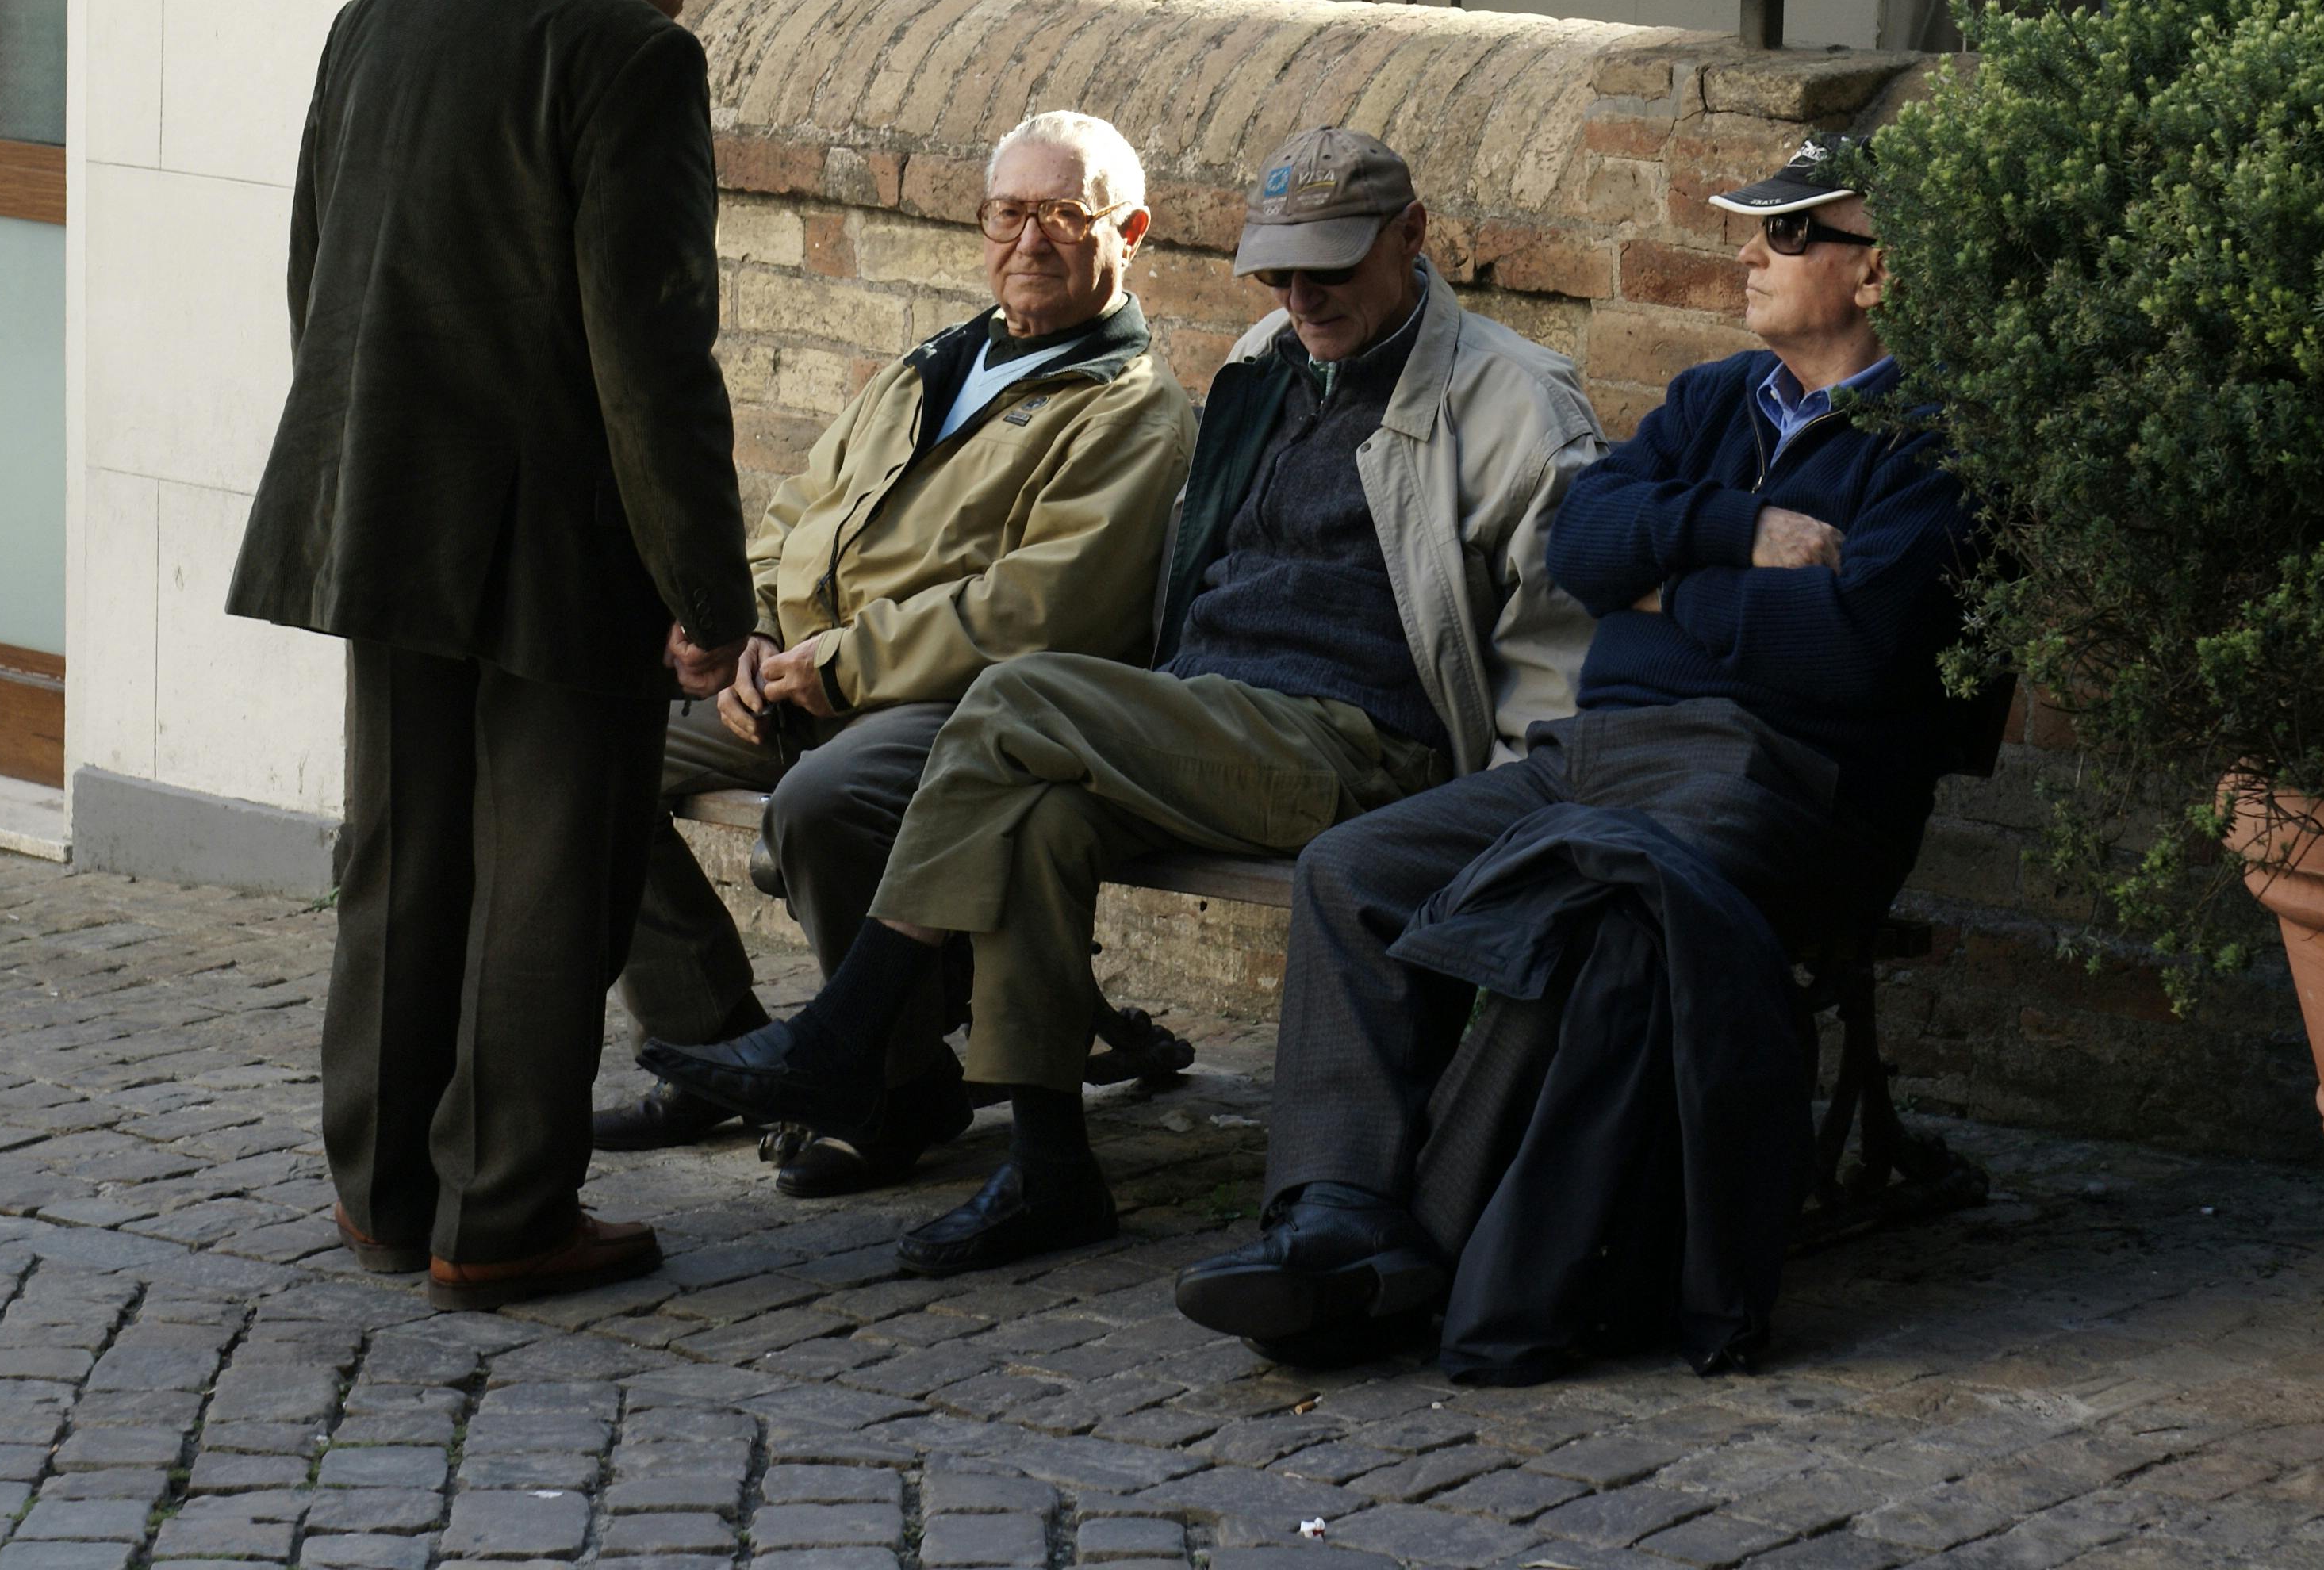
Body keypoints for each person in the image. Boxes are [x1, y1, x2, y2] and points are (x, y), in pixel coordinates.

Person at [642, 127, 1604, 1275]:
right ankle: (1049, 1169)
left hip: (1361, 748)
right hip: (1209, 718)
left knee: (1012, 703)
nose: (1302, 297)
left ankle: (843, 1034)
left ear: (1412, 239)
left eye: (1332, 270)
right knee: (1038, 816)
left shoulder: (1511, 400)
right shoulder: (1266, 357)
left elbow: (1555, 648)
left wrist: (1495, 833)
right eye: (1280, 272)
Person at [1171, 140, 1981, 1379]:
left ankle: (1436, 1250)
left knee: (1584, 908)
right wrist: (1734, 532)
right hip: (1601, 755)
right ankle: (1332, 1211)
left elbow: (1858, 652)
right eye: (1752, 229)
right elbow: (1588, 547)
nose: (1752, 255)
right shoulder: (1715, 402)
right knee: (1353, 868)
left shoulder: (1931, 443)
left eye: (1790, 235)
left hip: (1785, 791)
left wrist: (1670, 601)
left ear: (1875, 274)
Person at [226, 0, 752, 1312]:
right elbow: (652, 355)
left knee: (400, 856)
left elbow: (315, 272)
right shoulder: (630, 53)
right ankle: (503, 1211)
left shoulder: (377, 23)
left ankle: (385, 1195)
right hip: (549, 540)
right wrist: (706, 595)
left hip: (380, 504)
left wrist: (366, 461)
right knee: (546, 876)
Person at [595, 109, 1196, 1198]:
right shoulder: (932, 363)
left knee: (827, 805)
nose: (1028, 241)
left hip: (957, 706)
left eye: (1063, 216)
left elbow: (1038, 610)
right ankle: (714, 1040)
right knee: (588, 746)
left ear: (1131, 231)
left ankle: (894, 1083)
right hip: (798, 675)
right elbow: (800, 506)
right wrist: (757, 630)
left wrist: (841, 664)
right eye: (1007, 214)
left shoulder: (1134, 413)